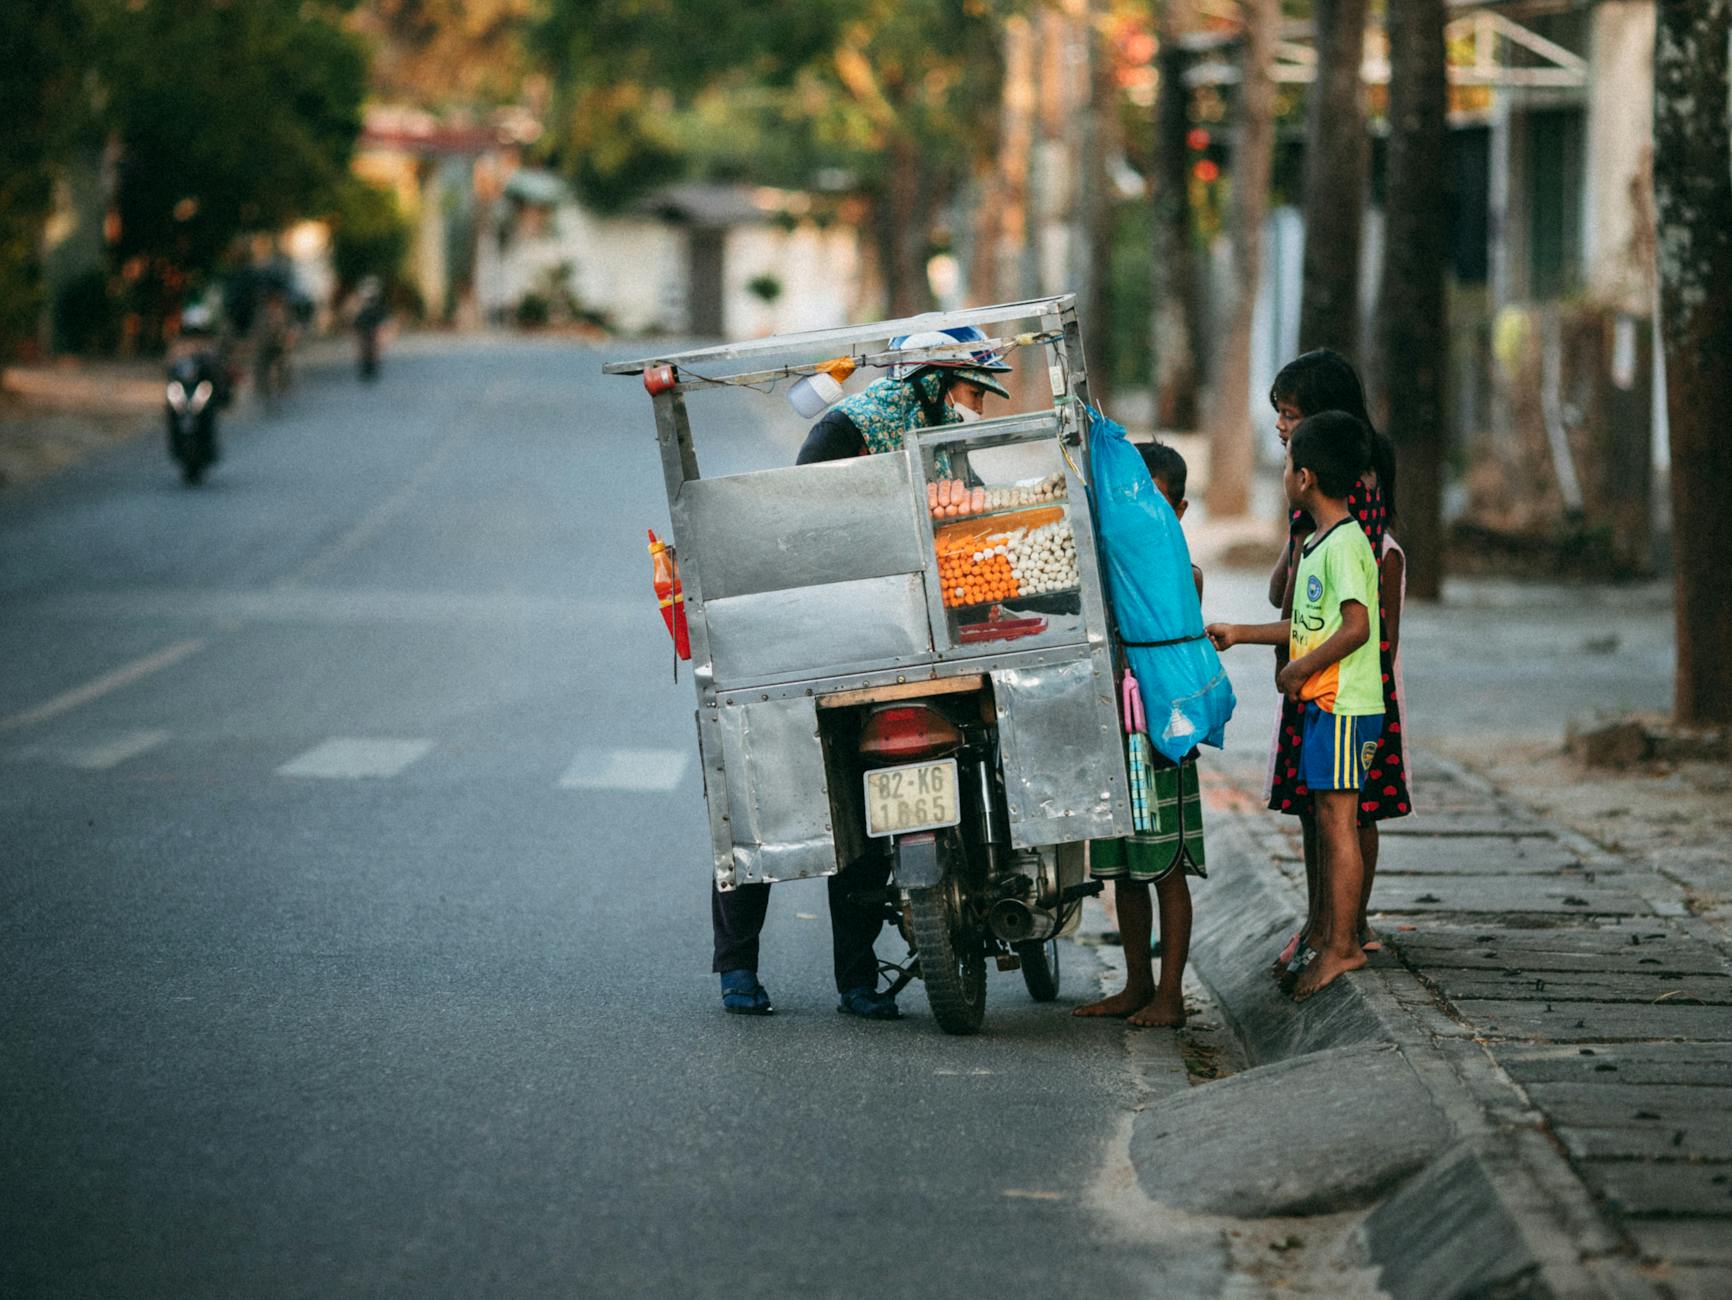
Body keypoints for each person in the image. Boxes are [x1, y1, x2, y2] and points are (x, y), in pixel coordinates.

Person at [713, 326, 1014, 1019]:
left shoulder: (940, 437)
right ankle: (737, 968)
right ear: (935, 382)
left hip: (907, 650)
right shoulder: (847, 429)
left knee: (876, 807)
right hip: (821, 645)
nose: (980, 406)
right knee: (768, 803)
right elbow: (802, 536)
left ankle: (856, 979)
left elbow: (965, 527)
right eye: (974, 391)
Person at [1207, 412, 1383, 1002]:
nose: (1283, 474)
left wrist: (1302, 668)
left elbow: (1355, 628)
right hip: (1323, 705)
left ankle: (1342, 945)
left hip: (1343, 704)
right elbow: (1304, 626)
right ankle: (1334, 936)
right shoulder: (1318, 542)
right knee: (1331, 821)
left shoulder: (1348, 544)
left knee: (1339, 824)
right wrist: (1240, 632)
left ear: (1304, 477)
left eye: (1285, 466)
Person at [1262, 350, 1409, 974]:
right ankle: (1325, 921)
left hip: (1343, 680)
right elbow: (1285, 589)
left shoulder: (1356, 498)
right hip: (1318, 674)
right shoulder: (1312, 503)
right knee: (1318, 806)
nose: (1280, 428)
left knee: (1350, 809)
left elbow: (1358, 613)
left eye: (1290, 415)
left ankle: (1345, 927)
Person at [1074, 440, 1206, 1028]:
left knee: (1166, 864)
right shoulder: (1105, 567)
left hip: (1161, 734)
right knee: (1126, 868)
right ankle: (1137, 983)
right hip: (1113, 730)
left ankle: (1170, 994)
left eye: (1152, 502)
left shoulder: (1185, 573)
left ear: (1179, 511)